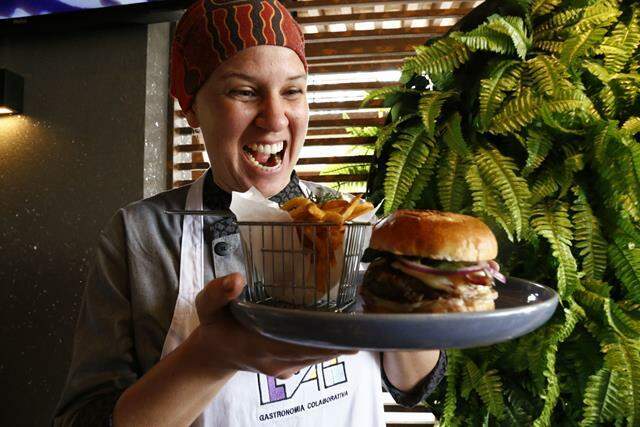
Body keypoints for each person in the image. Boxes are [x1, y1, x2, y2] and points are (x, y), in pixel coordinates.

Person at [53, 1, 446, 426]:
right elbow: (84, 418)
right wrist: (210, 355)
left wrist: (422, 294)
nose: (275, 119)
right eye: (244, 91)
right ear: (191, 108)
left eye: (292, 91)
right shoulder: (141, 234)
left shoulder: (353, 221)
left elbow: (411, 385)